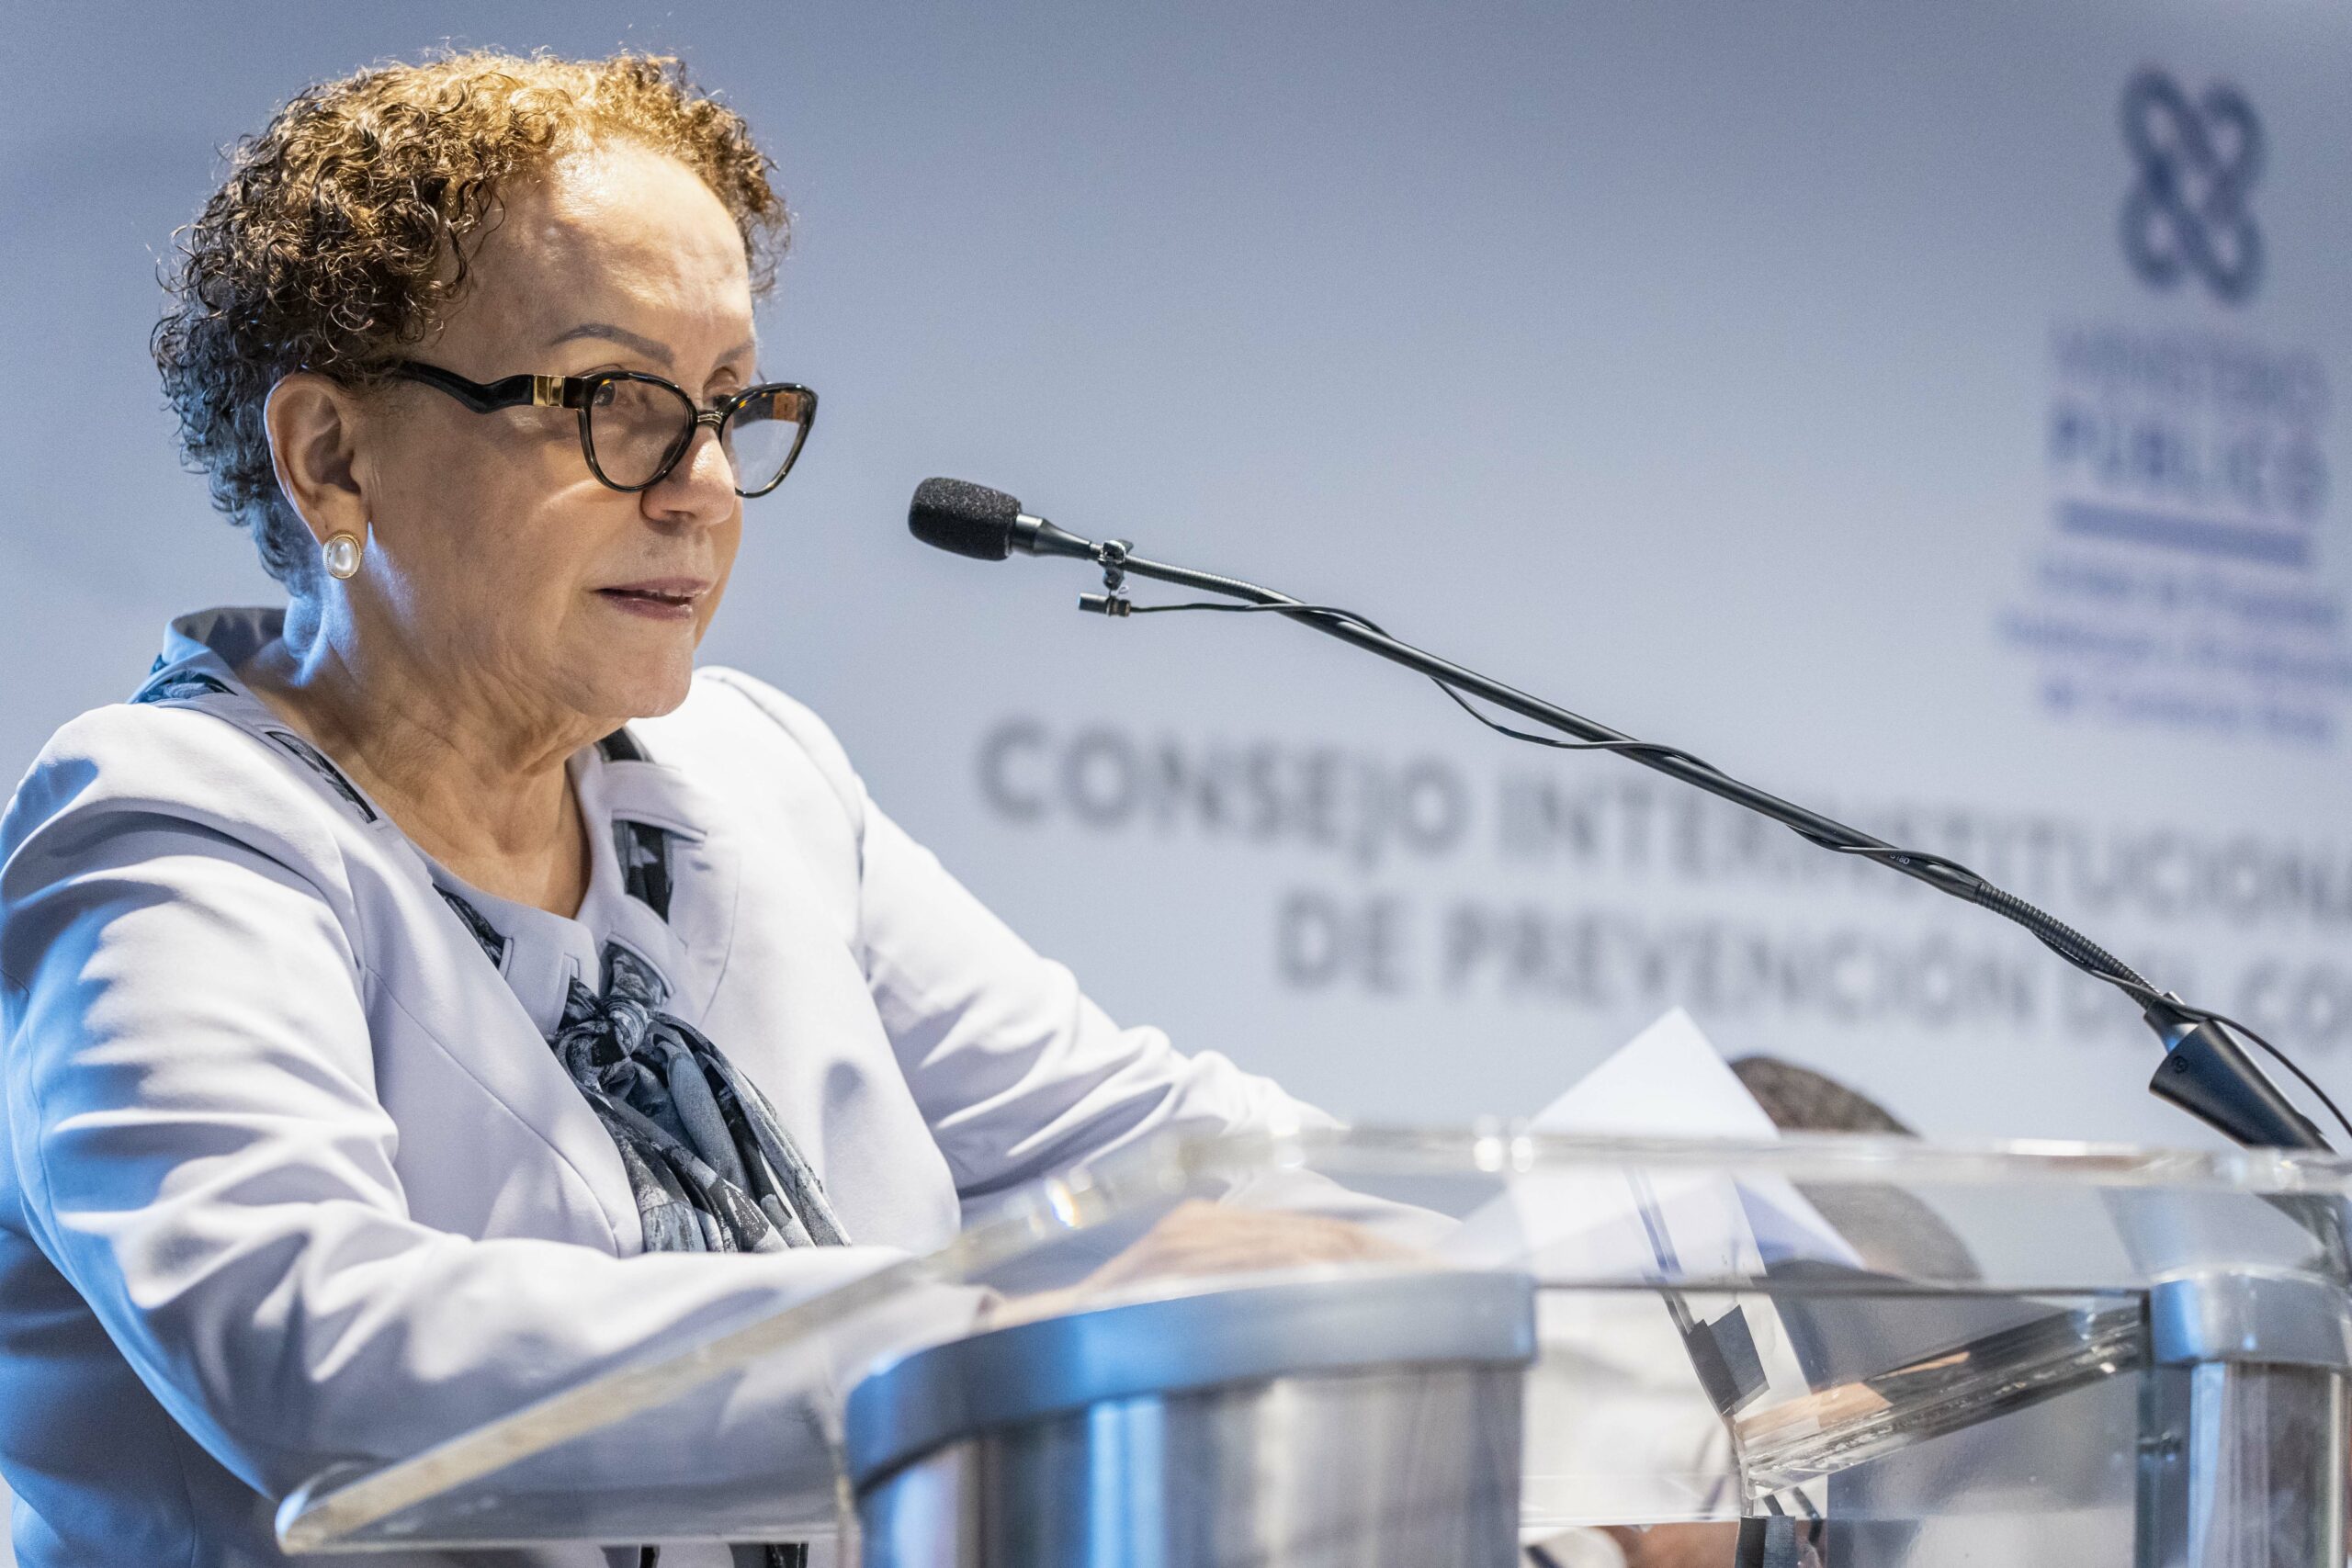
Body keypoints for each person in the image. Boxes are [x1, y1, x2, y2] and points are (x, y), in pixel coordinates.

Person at [0, 52, 1363, 1568]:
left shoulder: (748, 770)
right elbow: (316, 1347)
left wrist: (1514, 1272)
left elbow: (1149, 1150)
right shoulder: (170, 828)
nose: (703, 485)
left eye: (725, 406)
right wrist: (970, 1346)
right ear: (332, 457)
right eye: (612, 401)